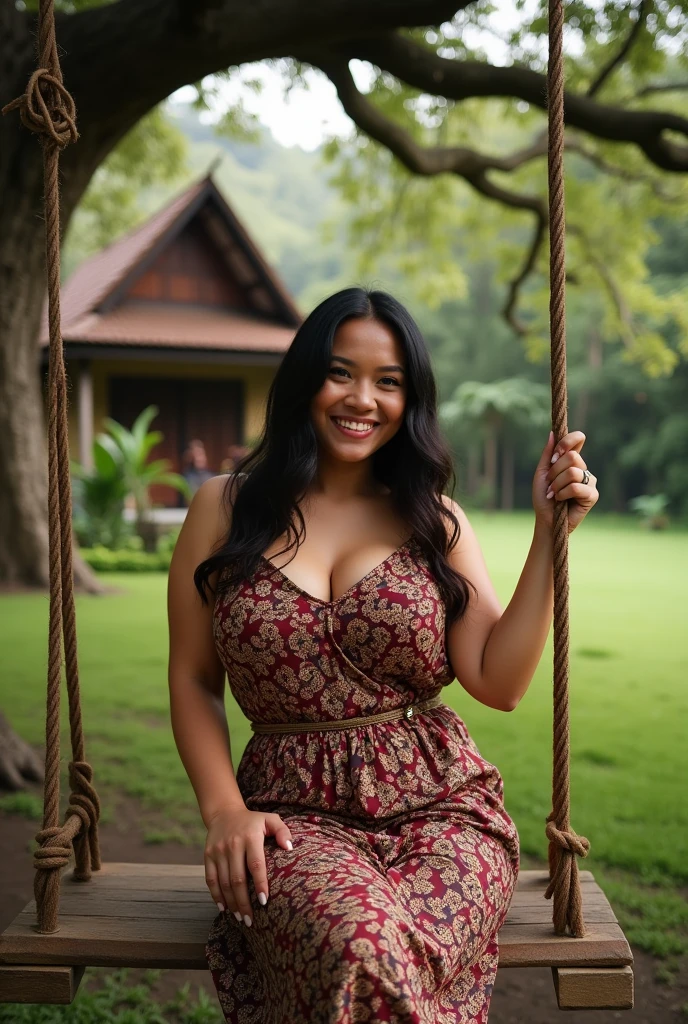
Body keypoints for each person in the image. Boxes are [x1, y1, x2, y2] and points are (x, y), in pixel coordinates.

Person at [166, 287, 599, 1024]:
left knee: (381, 958)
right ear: (304, 380)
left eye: (389, 381)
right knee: (359, 944)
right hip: (291, 818)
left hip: (447, 814)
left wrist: (547, 536)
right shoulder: (225, 507)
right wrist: (223, 812)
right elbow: (193, 677)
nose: (362, 398)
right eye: (341, 373)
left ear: (411, 398)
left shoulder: (435, 521)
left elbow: (498, 681)